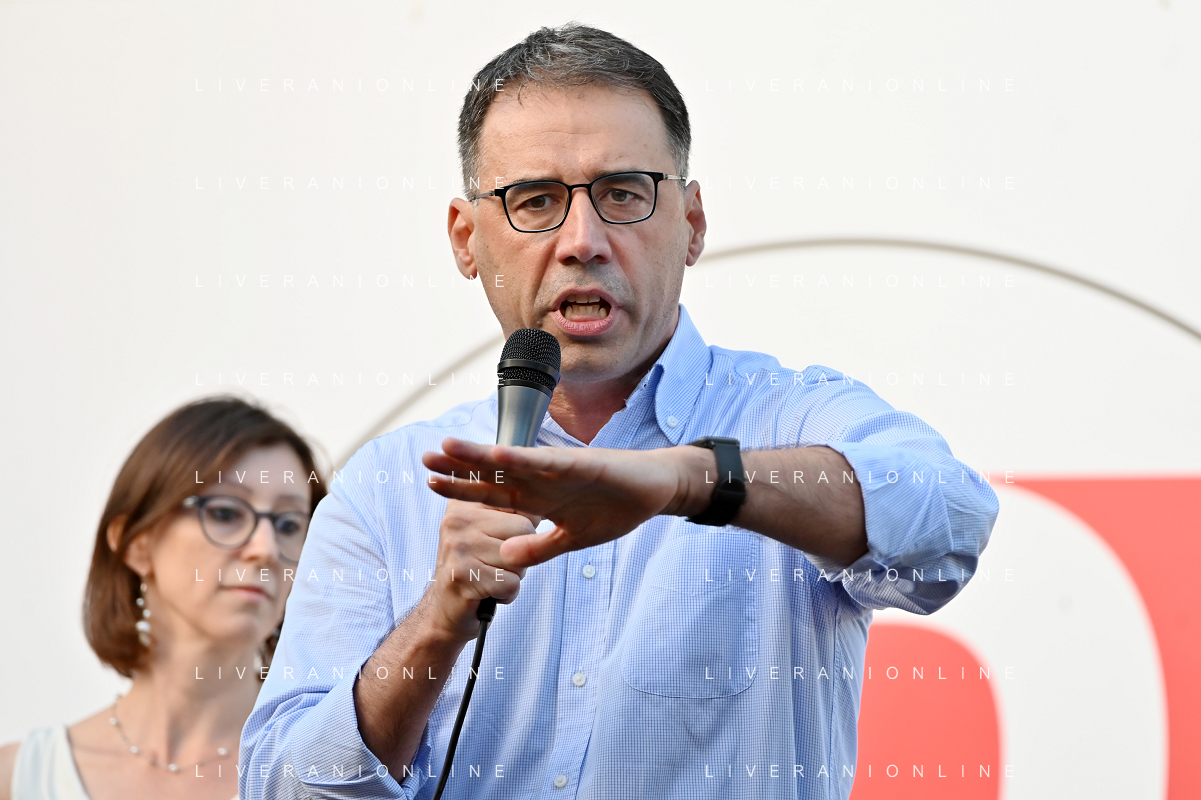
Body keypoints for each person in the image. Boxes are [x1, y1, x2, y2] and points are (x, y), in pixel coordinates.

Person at [239, 24, 1000, 800]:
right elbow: (281, 789)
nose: (582, 241)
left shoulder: (787, 420)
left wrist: (690, 481)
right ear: (466, 241)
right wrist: (433, 626)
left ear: (692, 223)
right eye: (535, 201)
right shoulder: (387, 488)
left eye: (623, 194)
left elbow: (950, 519)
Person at [0, 397, 325, 800]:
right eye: (225, 513)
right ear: (137, 543)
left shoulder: (329, 771)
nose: (266, 548)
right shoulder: (19, 779)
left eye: (289, 524)